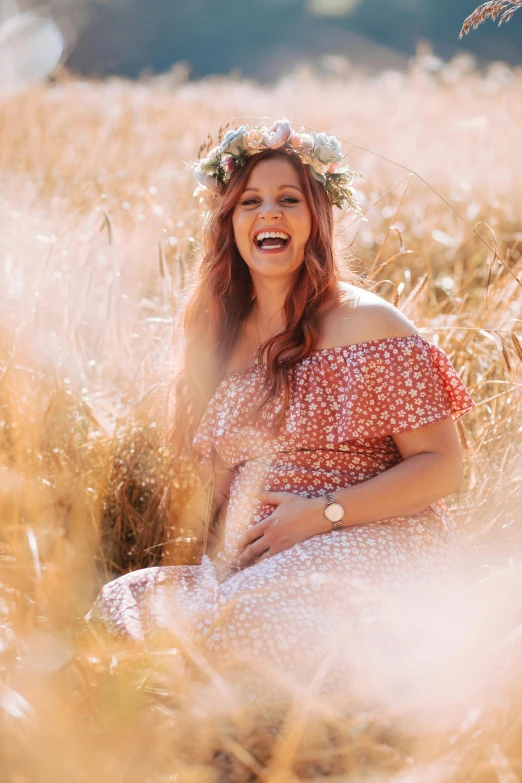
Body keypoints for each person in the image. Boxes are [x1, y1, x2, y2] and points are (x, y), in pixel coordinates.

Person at [86, 118, 475, 698]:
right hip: (265, 558)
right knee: (126, 603)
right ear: (229, 223)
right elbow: (220, 486)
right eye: (250, 202)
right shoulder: (216, 335)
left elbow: (444, 466)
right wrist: (232, 553)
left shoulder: (370, 324)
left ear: (318, 217)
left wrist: (321, 514)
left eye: (289, 199)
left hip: (372, 535)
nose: (269, 213)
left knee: (239, 627)